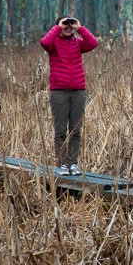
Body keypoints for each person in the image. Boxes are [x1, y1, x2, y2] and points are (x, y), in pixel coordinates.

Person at [40, 16, 98, 175]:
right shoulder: (53, 44)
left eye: (70, 24)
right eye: (65, 24)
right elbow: (44, 42)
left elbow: (93, 43)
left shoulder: (78, 43)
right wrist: (58, 27)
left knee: (75, 130)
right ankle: (62, 165)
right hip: (59, 93)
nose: (68, 27)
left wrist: (80, 28)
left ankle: (73, 164)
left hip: (78, 92)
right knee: (60, 131)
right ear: (58, 26)